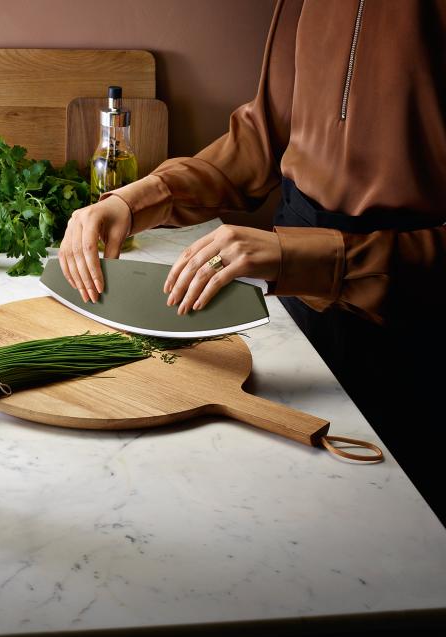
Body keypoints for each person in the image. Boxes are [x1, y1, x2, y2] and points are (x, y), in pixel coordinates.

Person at [58, 0, 446, 524]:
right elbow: (262, 136)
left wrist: (304, 256)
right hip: (302, 301)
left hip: (417, 318)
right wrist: (138, 197)